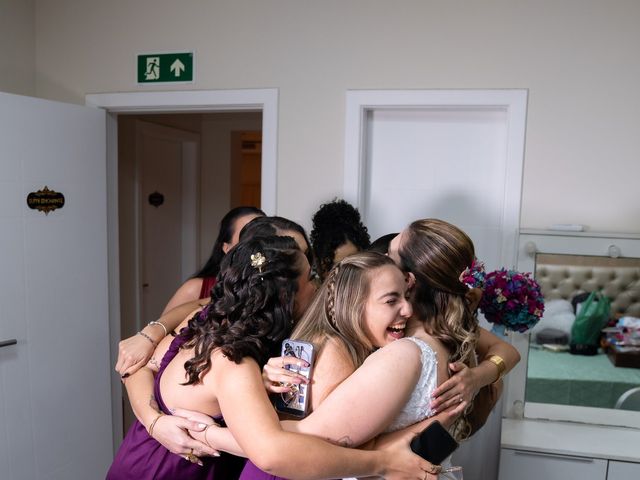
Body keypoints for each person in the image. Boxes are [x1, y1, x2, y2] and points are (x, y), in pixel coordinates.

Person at [107, 236, 432, 480]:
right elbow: (273, 453)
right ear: (284, 297)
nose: (318, 286)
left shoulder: (208, 325)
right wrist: (384, 462)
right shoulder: (234, 363)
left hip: (139, 458)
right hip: (170, 472)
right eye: (309, 280)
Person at [114, 212, 313, 378]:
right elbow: (145, 366)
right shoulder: (218, 315)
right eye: (284, 250)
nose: (297, 259)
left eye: (301, 253)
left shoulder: (305, 299)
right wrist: (151, 334)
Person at [310, 198, 371, 281]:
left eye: (352, 265)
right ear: (318, 263)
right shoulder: (310, 291)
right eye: (334, 266)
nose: (345, 275)